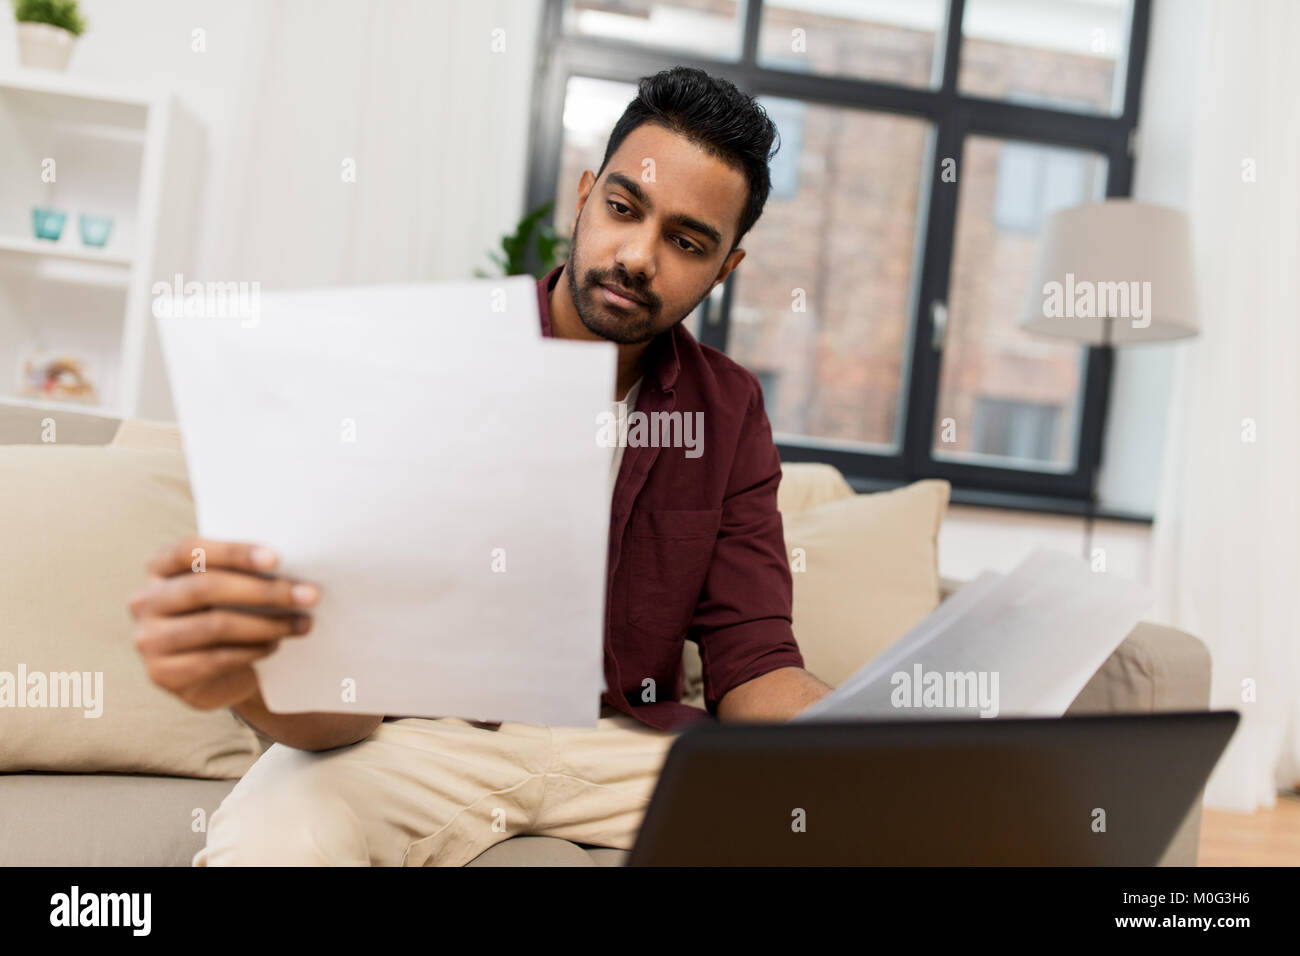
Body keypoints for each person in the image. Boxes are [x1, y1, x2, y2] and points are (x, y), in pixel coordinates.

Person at [128, 66, 832, 867]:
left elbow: (755, 662)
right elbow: (346, 696)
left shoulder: (729, 410)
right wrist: (252, 680)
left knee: (828, 826)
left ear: (725, 269)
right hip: (433, 738)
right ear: (584, 194)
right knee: (273, 832)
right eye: (623, 208)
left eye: (685, 241)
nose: (637, 256)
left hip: (626, 749)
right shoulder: (441, 356)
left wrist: (881, 738)